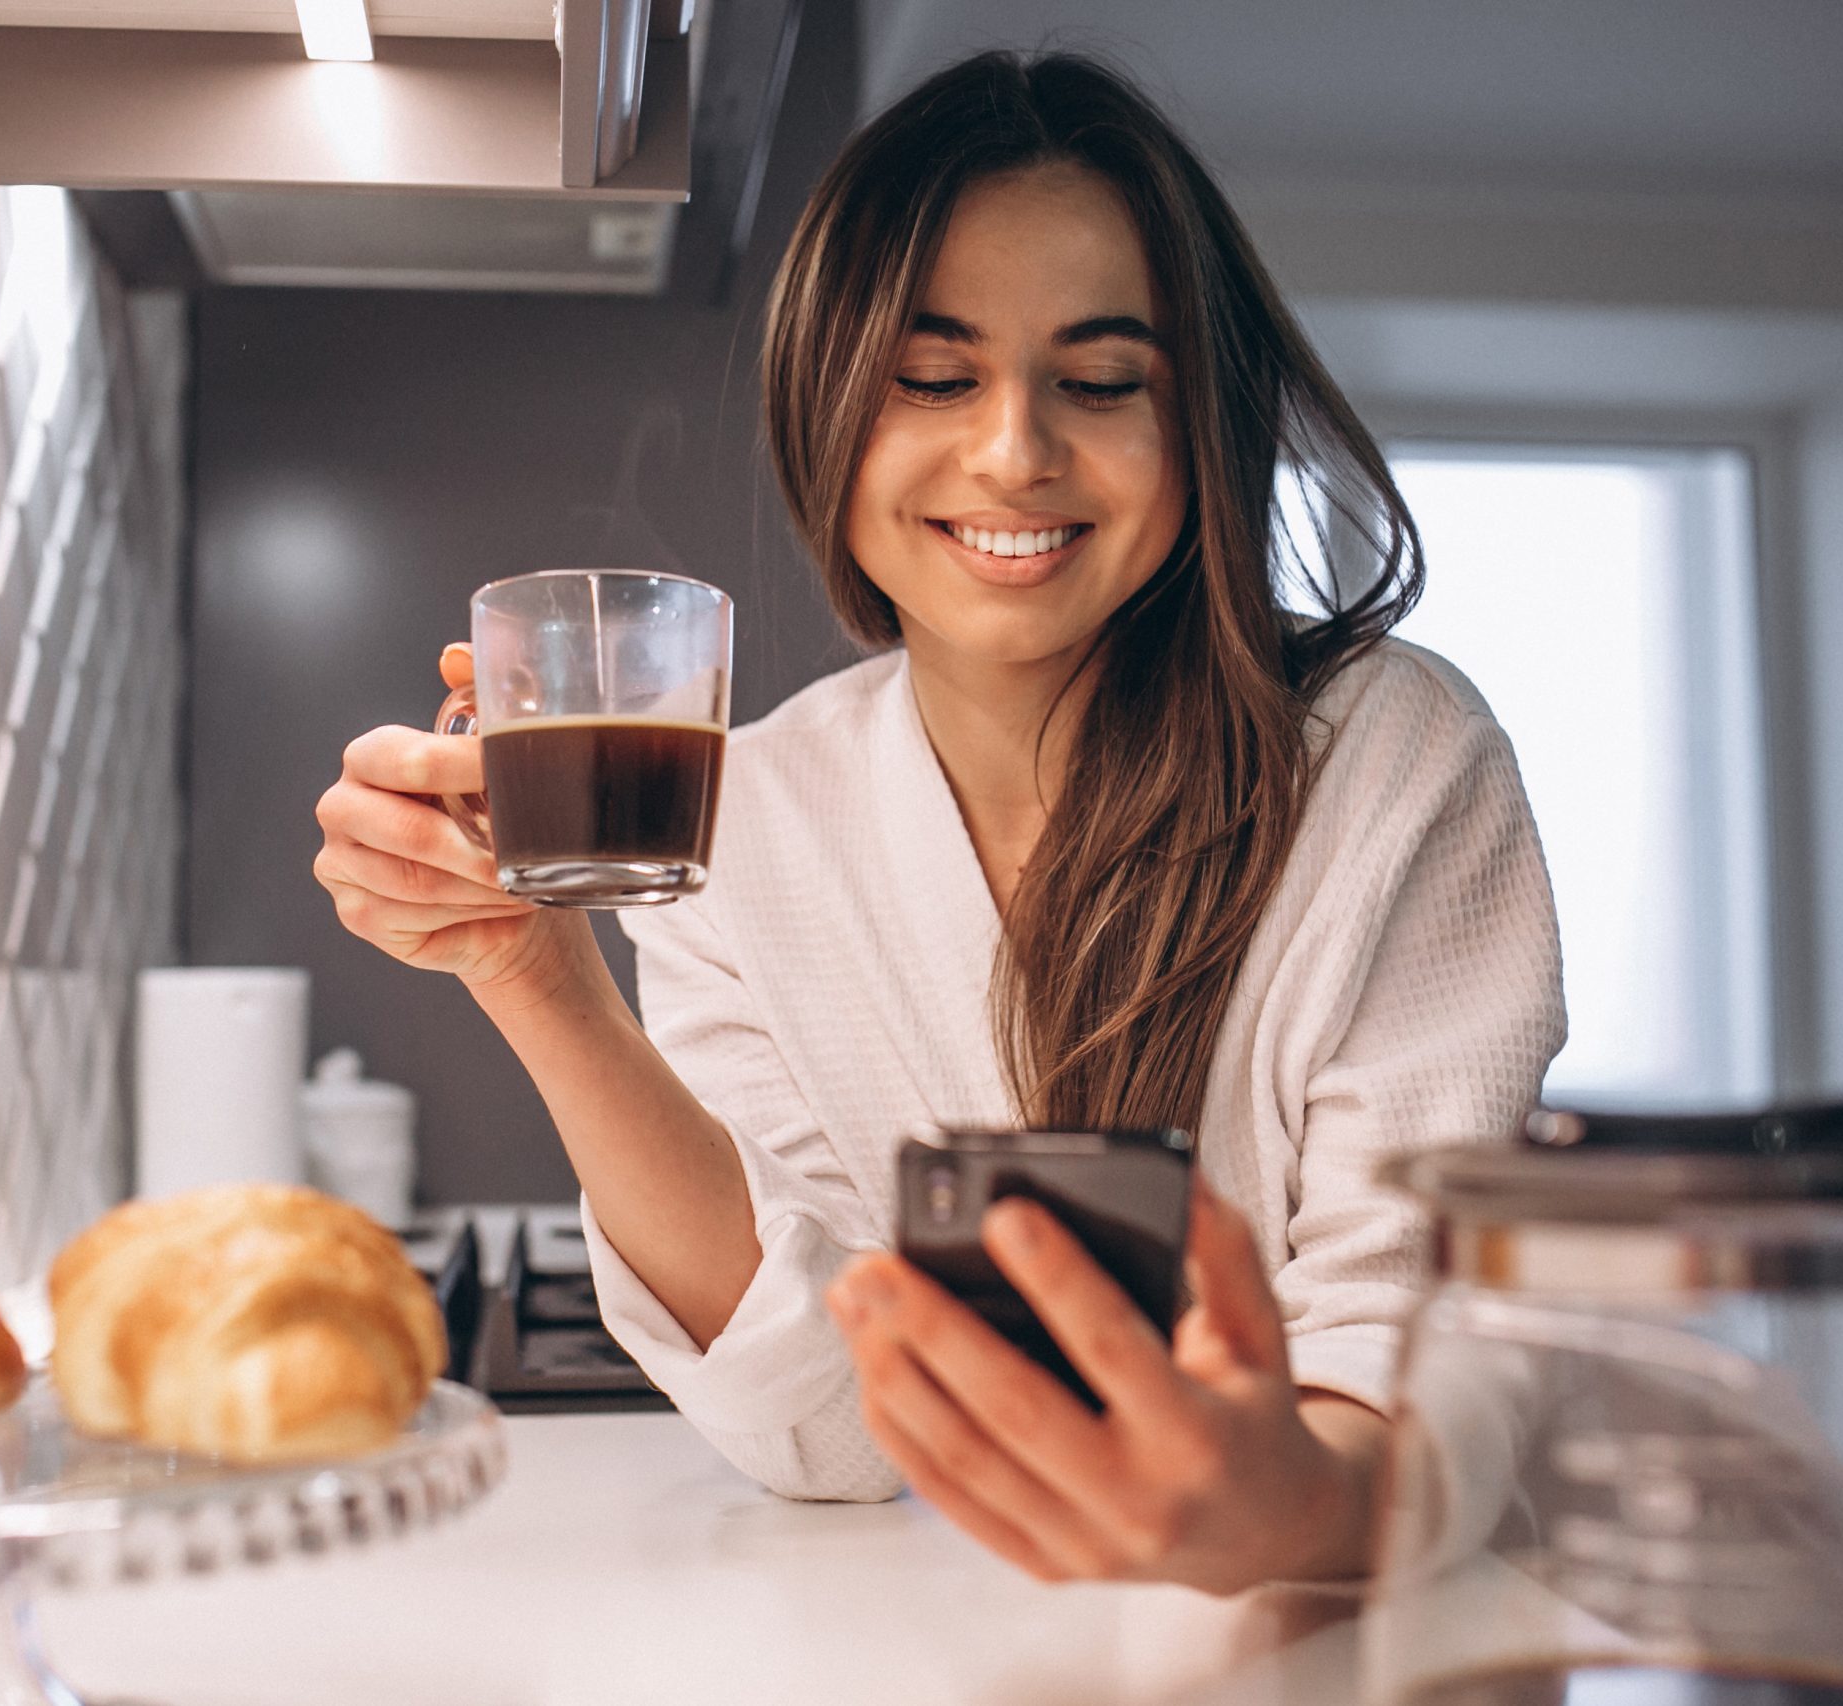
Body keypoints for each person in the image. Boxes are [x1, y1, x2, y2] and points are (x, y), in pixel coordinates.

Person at [312, 49, 1563, 1592]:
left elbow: (1420, 1349)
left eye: (1101, 381)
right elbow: (830, 1422)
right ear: (829, 401)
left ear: (1203, 419)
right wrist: (538, 982)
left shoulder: (1393, 760)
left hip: (1349, 1637)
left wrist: (1288, 1506)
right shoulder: (746, 816)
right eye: (934, 373)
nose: (1016, 450)